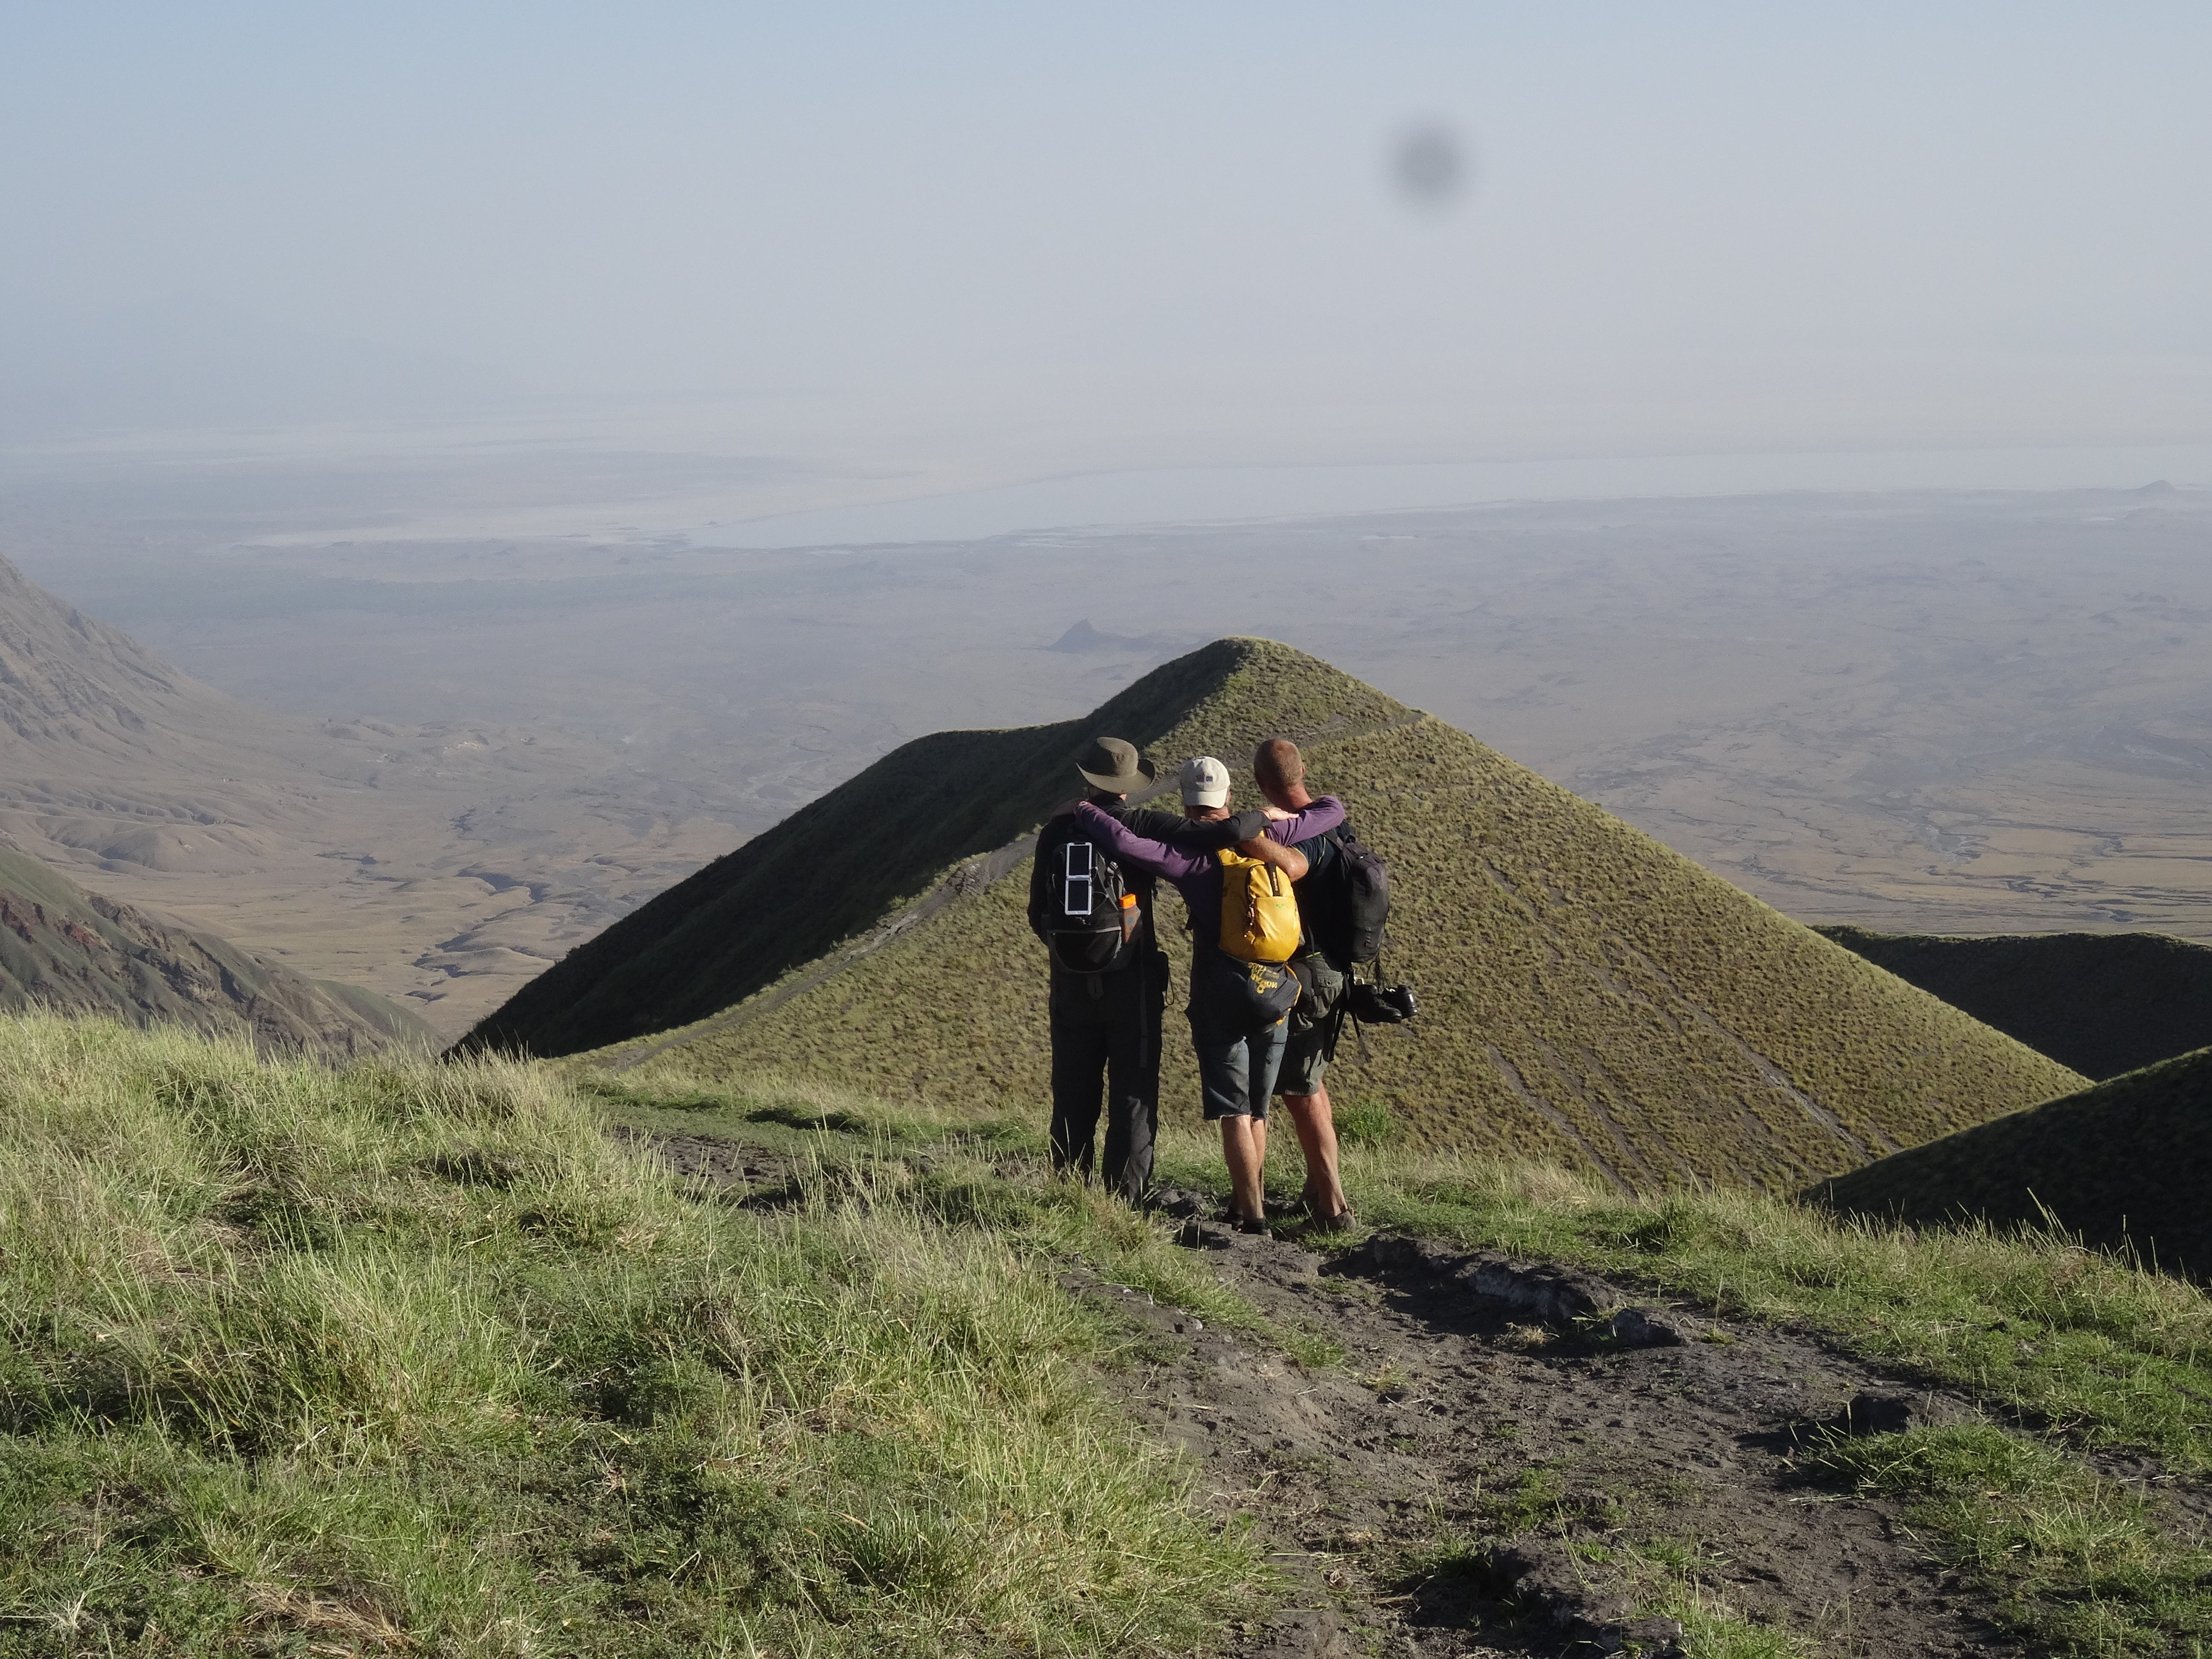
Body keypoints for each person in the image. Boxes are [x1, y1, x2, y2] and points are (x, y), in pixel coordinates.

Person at [1074, 757, 1345, 1231]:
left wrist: (1083, 811)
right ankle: (1248, 1204)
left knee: (1234, 1111)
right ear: (1229, 798)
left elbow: (1122, 840)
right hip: (1277, 990)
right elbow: (1331, 811)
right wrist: (1269, 818)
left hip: (1219, 994)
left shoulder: (1186, 857)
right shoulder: (1268, 841)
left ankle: (1252, 1214)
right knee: (1258, 1109)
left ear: (1185, 802)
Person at [1028, 737, 1264, 1202]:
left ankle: (1068, 1194)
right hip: (1131, 984)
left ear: (1088, 780)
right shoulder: (1138, 823)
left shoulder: (1055, 832)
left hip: (1069, 989)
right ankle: (1125, 1202)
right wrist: (1265, 817)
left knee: (1073, 1093)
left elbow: (1038, 914)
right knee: (1133, 1094)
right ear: (1130, 785)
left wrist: (1078, 955)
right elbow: (1222, 834)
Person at [1255, 737, 1355, 1230]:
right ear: (1304, 770)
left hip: (1308, 973)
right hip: (1337, 969)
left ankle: (1334, 1209)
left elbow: (1292, 868)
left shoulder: (1297, 839)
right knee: (1311, 1081)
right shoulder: (1332, 818)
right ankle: (1314, 1191)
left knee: (1300, 1091)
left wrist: (1247, 832)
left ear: (1261, 784)